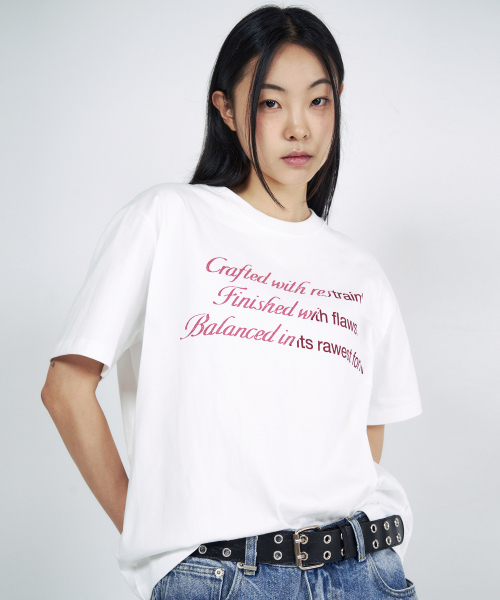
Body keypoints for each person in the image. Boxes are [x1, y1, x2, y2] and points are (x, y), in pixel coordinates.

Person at [41, 5, 422, 600]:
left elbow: (362, 442)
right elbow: (66, 387)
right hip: (224, 578)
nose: (298, 127)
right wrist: (158, 543)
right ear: (225, 109)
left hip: (364, 571)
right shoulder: (168, 219)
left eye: (318, 101)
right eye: (270, 103)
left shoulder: (362, 273)